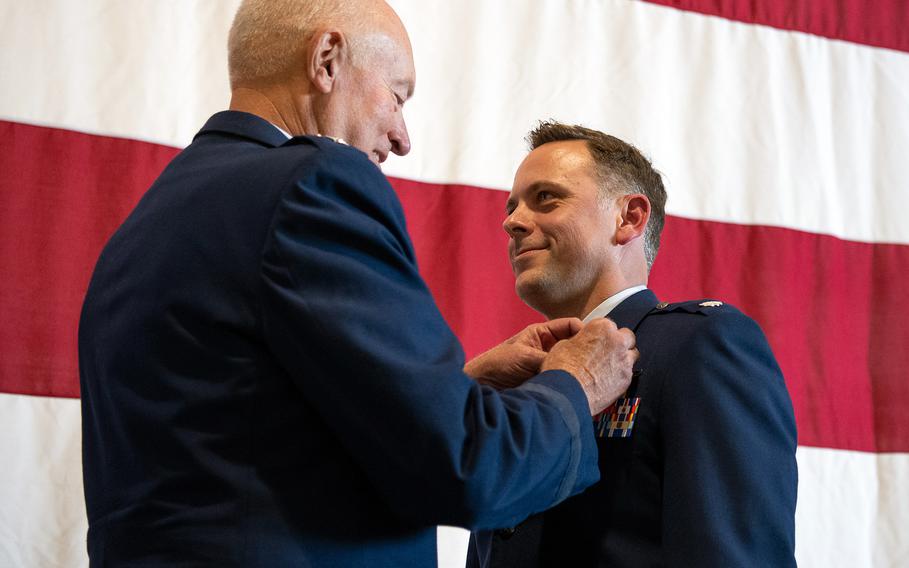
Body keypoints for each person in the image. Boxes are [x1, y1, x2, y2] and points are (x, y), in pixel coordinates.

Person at [78, 2, 640, 567]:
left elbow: (245, 440)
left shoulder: (148, 223)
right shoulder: (311, 184)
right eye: (397, 96)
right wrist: (576, 382)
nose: (401, 139)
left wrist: (458, 389)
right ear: (326, 60)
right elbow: (465, 467)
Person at [468, 122, 798, 567]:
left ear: (629, 219)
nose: (513, 222)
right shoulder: (520, 375)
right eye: (512, 208)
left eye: (546, 198)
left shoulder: (700, 344)